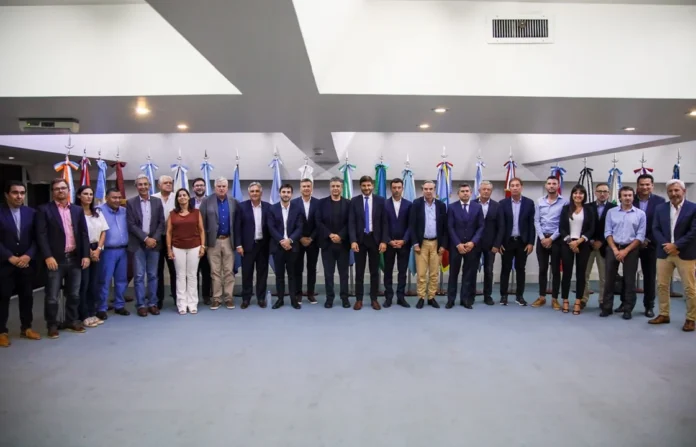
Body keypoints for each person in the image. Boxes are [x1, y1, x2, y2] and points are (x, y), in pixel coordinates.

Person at [36, 178, 90, 338]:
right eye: (57, 188)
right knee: (52, 296)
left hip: (75, 258)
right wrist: (47, 256)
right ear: (53, 192)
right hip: (55, 260)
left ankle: (71, 320)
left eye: (63, 188)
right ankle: (52, 324)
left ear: (68, 190)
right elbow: (41, 235)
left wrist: (86, 255)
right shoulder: (44, 210)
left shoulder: (77, 210)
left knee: (74, 294)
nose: (61, 191)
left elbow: (84, 234)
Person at [649, 179, 696, 332]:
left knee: (689, 288)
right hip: (664, 253)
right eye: (670, 191)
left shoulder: (693, 208)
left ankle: (691, 318)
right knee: (662, 285)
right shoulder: (660, 208)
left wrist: (676, 246)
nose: (674, 193)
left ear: (684, 191)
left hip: (685, 253)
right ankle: (664, 314)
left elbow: (693, 232)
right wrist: (667, 246)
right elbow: (655, 229)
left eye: (677, 190)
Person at [0, 181, 40, 346]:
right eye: (15, 192)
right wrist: (9, 256)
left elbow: (38, 238)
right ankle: (2, 331)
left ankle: (26, 328)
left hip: (26, 263)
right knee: (3, 298)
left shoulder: (32, 213)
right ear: (7, 194)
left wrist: (28, 255)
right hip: (5, 263)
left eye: (22, 193)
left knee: (27, 297)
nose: (19, 196)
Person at [600, 186, 646, 320]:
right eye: (624, 195)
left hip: (631, 249)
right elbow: (607, 232)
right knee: (609, 279)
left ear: (633, 197)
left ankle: (627, 308)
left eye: (630, 195)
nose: (627, 198)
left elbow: (640, 236)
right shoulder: (611, 212)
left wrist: (625, 251)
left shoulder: (640, 214)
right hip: (613, 247)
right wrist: (615, 250)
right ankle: (607, 307)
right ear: (620, 197)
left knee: (629, 280)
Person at [126, 174, 165, 317]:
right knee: (139, 276)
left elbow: (161, 223)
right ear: (136, 187)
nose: (143, 187)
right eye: (140, 184)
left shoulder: (157, 202)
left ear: (149, 186)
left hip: (154, 244)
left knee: (153, 275)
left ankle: (153, 303)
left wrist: (153, 239)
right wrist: (145, 238)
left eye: (145, 184)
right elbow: (131, 224)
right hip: (138, 245)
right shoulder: (130, 203)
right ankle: (141, 305)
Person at [349, 175, 388, 311]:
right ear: (360, 186)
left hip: (375, 240)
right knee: (359, 272)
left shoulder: (381, 201)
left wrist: (384, 241)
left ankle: (374, 299)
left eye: (369, 185)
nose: (366, 188)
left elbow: (384, 222)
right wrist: (353, 240)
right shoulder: (354, 201)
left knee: (374, 272)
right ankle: (359, 299)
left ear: (372, 186)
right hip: (359, 241)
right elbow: (351, 223)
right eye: (364, 185)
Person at [200, 177, 239, 310]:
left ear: (227, 188)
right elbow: (202, 224)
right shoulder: (206, 201)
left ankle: (228, 298)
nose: (221, 188)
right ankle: (216, 299)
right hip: (213, 241)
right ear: (214, 187)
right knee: (215, 271)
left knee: (229, 271)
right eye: (219, 186)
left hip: (229, 240)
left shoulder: (233, 201)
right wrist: (204, 243)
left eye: (224, 186)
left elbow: (237, 223)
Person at [497, 177, 536, 306]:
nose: (514, 188)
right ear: (509, 188)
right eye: (512, 185)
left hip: (522, 242)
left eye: (517, 185)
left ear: (521, 187)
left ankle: (520, 296)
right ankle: (503, 295)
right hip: (507, 242)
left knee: (521, 269)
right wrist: (499, 243)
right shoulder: (502, 203)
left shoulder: (529, 203)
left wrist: (531, 242)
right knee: (505, 269)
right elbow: (500, 225)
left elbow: (531, 225)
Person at [409, 180, 447, 309]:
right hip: (422, 244)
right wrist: (415, 243)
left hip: (436, 243)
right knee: (421, 273)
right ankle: (421, 297)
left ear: (434, 190)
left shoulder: (441, 205)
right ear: (422, 190)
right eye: (426, 189)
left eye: (431, 189)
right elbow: (412, 225)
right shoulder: (416, 204)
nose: (428, 191)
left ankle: (431, 297)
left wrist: (443, 245)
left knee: (434, 273)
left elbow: (445, 227)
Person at [167, 188, 205, 315]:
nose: (182, 197)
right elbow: (169, 232)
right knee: (180, 276)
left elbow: (201, 230)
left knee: (192, 275)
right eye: (179, 196)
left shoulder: (196, 212)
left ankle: (192, 304)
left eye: (184, 195)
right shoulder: (172, 214)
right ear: (177, 199)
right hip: (177, 248)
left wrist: (203, 246)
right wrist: (169, 249)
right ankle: (182, 304)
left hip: (194, 247)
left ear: (189, 197)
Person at [75, 185, 109, 327]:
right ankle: (83, 315)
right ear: (79, 196)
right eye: (85, 194)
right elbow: (77, 234)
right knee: (84, 284)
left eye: (91, 194)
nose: (89, 197)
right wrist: (88, 251)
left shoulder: (97, 212)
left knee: (94, 284)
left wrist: (98, 250)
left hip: (97, 249)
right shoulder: (75, 212)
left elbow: (104, 231)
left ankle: (92, 312)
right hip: (82, 250)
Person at [559, 185, 595, 315]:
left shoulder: (589, 209)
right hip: (567, 244)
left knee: (581, 274)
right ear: (572, 195)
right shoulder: (565, 208)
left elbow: (591, 228)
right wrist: (571, 242)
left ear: (584, 196)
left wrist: (579, 241)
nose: (578, 195)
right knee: (567, 274)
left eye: (581, 193)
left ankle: (578, 301)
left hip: (583, 244)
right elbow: (561, 228)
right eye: (575, 193)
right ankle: (565, 300)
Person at [446, 183, 484, 309]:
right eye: (462, 191)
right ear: (458, 194)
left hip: (471, 246)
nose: (465, 193)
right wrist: (458, 244)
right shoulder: (452, 207)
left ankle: (465, 299)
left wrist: (473, 242)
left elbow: (481, 227)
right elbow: (450, 227)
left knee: (468, 274)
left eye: (467, 191)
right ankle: (451, 299)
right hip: (456, 246)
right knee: (453, 274)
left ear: (471, 193)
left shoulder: (477, 207)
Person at [531, 176, 566, 309]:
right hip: (542, 239)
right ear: (546, 185)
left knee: (556, 270)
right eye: (549, 183)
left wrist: (551, 239)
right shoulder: (540, 201)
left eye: (554, 183)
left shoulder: (565, 202)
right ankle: (542, 297)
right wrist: (542, 238)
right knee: (542, 269)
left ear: (558, 186)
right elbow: (536, 221)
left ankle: (555, 299)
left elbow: (563, 223)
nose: (551, 186)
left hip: (556, 240)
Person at [316, 177, 351, 309]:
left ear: (342, 188)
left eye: (338, 186)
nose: (335, 188)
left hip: (343, 244)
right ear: (330, 187)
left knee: (344, 274)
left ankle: (344, 298)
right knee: (328, 274)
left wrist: (340, 236)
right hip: (327, 244)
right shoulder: (321, 203)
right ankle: (329, 298)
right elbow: (318, 221)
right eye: (333, 186)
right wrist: (330, 235)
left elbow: (350, 222)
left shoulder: (348, 203)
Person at [633, 173, 666, 318]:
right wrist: (637, 240)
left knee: (649, 276)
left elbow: (660, 224)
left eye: (647, 184)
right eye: (642, 184)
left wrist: (647, 239)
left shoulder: (660, 201)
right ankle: (626, 303)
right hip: (632, 244)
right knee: (628, 276)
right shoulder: (629, 199)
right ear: (637, 186)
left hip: (651, 244)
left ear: (652, 186)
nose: (644, 187)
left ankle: (649, 306)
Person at [268, 184, 305, 310]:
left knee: (292, 275)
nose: (286, 194)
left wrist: (289, 240)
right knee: (279, 275)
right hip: (278, 247)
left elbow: (299, 227)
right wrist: (282, 241)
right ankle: (280, 299)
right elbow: (271, 227)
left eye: (288, 192)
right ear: (280, 193)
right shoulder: (272, 209)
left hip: (292, 247)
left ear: (291, 194)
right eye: (283, 192)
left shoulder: (298, 209)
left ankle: (294, 300)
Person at [235, 182, 271, 309]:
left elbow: (271, 227)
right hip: (247, 246)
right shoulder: (241, 207)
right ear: (249, 193)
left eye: (257, 191)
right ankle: (246, 298)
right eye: (252, 191)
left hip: (263, 245)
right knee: (247, 273)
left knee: (262, 273)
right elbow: (237, 227)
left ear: (261, 193)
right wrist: (238, 245)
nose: (254, 193)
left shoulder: (268, 207)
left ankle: (261, 298)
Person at [581, 183, 616, 309]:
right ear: (595, 193)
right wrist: (590, 240)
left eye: (605, 191)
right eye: (599, 191)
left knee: (604, 276)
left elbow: (614, 228)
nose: (602, 194)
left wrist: (602, 241)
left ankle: (602, 300)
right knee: (584, 274)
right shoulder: (586, 207)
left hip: (605, 246)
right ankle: (583, 299)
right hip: (587, 245)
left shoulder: (614, 208)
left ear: (609, 193)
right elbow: (583, 226)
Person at [98, 188, 130, 320]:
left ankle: (119, 305)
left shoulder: (124, 211)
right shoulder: (99, 211)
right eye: (114, 197)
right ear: (106, 198)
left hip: (123, 250)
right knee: (104, 280)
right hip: (107, 251)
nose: (117, 200)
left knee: (121, 280)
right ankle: (101, 307)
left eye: (119, 197)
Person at [383, 178, 412, 308]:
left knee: (402, 271)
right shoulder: (384, 204)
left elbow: (411, 225)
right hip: (389, 244)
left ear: (402, 188)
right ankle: (388, 297)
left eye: (399, 187)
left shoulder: (409, 204)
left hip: (403, 244)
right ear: (391, 189)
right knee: (388, 271)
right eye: (394, 187)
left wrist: (404, 240)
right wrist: (388, 240)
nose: (396, 190)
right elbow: (382, 224)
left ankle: (401, 297)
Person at [292, 178, 319, 305]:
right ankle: (298, 294)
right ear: (300, 188)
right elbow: (292, 223)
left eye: (308, 186)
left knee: (312, 268)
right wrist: (300, 237)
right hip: (298, 241)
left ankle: (310, 293)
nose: (306, 188)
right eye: (304, 186)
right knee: (298, 268)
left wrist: (311, 238)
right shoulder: (293, 203)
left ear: (311, 188)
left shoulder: (318, 203)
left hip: (313, 241)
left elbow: (319, 223)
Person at [474, 180, 500, 306]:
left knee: (488, 271)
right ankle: (470, 294)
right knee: (471, 270)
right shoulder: (472, 204)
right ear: (479, 191)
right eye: (483, 189)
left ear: (491, 191)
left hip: (490, 245)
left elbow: (501, 227)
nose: (486, 191)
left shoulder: (497, 206)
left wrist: (497, 244)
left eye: (488, 189)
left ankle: (487, 296)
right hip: (474, 244)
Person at [153, 175, 177, 309]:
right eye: (165, 183)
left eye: (170, 183)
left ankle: (177, 298)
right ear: (159, 185)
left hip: (173, 239)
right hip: (156, 238)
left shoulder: (177, 198)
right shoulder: (153, 198)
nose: (168, 184)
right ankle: (158, 300)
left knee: (175, 270)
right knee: (158, 270)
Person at [192, 177, 212, 305]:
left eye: (201, 185)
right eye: (197, 185)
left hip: (208, 241)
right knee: (193, 271)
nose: (199, 187)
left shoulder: (211, 201)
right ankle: (194, 296)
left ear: (205, 187)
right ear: (193, 188)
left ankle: (206, 296)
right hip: (192, 241)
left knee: (206, 270)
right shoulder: (188, 202)